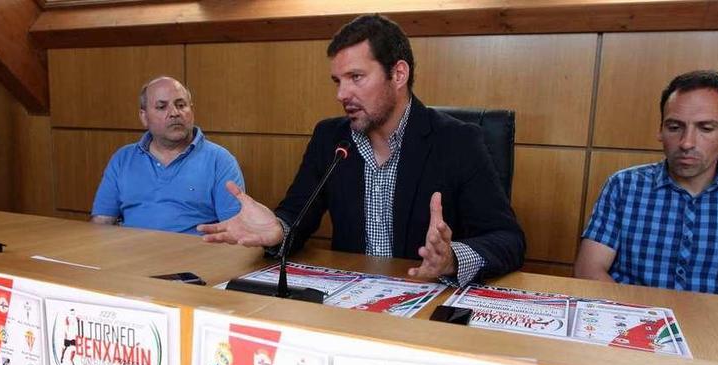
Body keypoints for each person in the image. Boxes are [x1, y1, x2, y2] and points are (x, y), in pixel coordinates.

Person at [198, 15, 524, 285]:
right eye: (337, 81)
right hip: (351, 305)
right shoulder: (330, 138)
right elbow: (295, 217)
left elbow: (508, 239)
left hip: (426, 306)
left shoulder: (458, 141)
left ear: (398, 74)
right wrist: (278, 230)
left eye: (356, 77)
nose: (342, 94)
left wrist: (451, 258)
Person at [575, 70, 718, 303]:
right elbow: (589, 271)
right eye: (675, 127)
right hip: (629, 327)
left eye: (705, 128)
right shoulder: (623, 186)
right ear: (661, 129)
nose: (687, 143)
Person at [91, 76, 245, 235]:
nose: (174, 113)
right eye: (161, 107)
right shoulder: (123, 159)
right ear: (144, 117)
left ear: (191, 110)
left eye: (181, 105)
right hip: (132, 255)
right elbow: (102, 223)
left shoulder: (220, 161)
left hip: (194, 257)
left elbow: (235, 231)